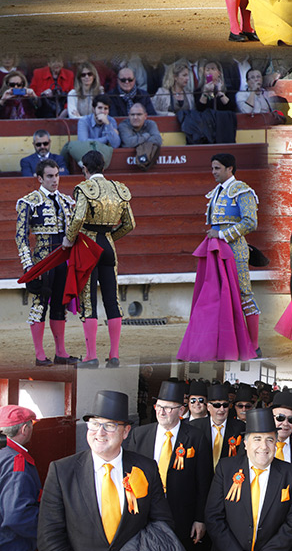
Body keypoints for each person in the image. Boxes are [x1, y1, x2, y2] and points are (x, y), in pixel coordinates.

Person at [37, 388, 178, 551]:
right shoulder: (62, 472)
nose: (100, 432)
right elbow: (49, 537)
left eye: (109, 425)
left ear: (125, 432)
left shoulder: (146, 468)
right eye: (94, 424)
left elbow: (162, 522)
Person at [63, 149, 135, 367]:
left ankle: (91, 355)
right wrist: (109, 238)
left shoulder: (84, 188)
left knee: (89, 300)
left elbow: (77, 219)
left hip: (88, 245)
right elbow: (130, 224)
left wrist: (68, 239)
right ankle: (114, 355)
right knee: (112, 299)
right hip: (108, 246)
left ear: (85, 168)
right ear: (103, 167)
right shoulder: (119, 189)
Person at [205, 405, 292, 551]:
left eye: (270, 439)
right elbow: (213, 516)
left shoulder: (290, 473)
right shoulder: (226, 469)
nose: (264, 447)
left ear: (276, 444)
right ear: (245, 444)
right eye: (257, 439)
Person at [130, 379, 213, 548]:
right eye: (158, 406)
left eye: (168, 408)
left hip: (182, 514)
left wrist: (200, 519)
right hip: (145, 511)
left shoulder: (196, 437)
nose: (161, 412)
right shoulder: (140, 434)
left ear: (181, 410)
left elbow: (204, 482)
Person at [15, 158, 76, 365]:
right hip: (43, 260)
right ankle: (40, 354)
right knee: (39, 305)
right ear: (39, 178)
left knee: (60, 305)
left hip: (63, 260)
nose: (55, 180)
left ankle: (61, 352)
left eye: (57, 175)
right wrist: (29, 268)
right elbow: (21, 238)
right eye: (50, 176)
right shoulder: (28, 202)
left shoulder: (67, 201)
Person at [206, 152, 261, 356]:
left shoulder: (242, 191)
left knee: (244, 294)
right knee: (220, 295)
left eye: (217, 168)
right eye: (212, 168)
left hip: (235, 250)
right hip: (217, 250)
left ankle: (254, 344)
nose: (213, 172)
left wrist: (221, 234)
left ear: (230, 169)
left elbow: (250, 222)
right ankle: (228, 342)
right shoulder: (216, 192)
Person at [0, 404, 41, 551]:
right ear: (24, 429)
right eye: (31, 425)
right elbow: (17, 515)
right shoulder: (16, 462)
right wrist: (47, 531)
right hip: (11, 543)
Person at [191, 382, 245, 468]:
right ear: (208, 407)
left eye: (225, 405)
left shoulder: (240, 427)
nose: (222, 409)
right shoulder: (195, 426)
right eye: (217, 405)